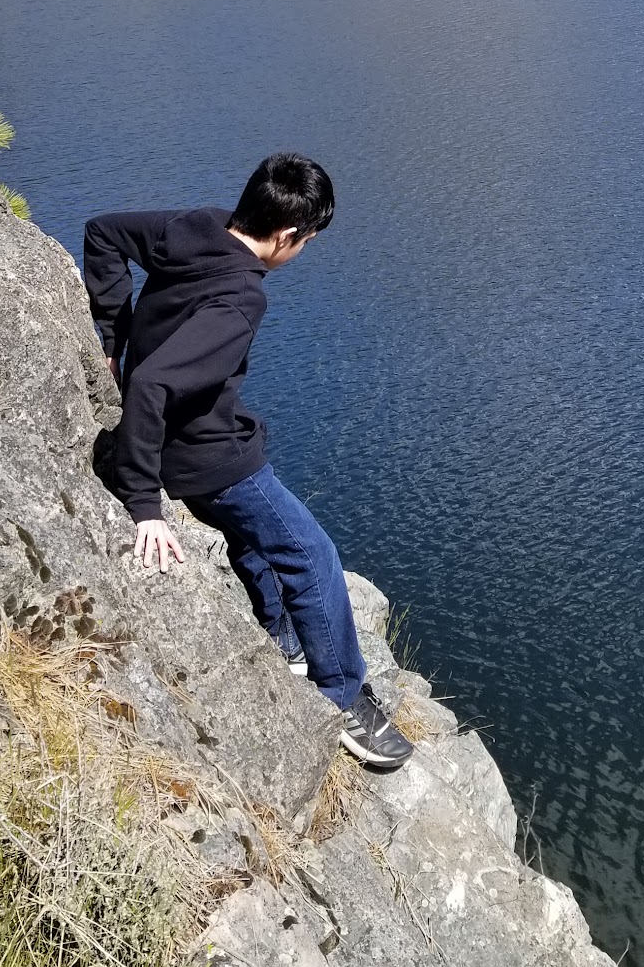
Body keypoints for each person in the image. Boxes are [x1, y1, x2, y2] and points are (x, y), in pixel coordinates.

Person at [83, 152, 412, 771]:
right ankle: (341, 697)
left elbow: (102, 231)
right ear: (287, 236)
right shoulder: (241, 299)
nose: (301, 251)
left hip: (197, 438)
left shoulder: (191, 227)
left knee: (259, 541)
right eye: (307, 241)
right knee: (311, 553)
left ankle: (283, 642)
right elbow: (153, 385)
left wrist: (111, 334)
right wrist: (145, 505)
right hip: (203, 456)